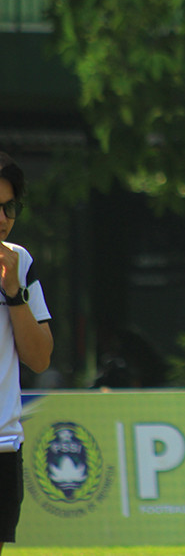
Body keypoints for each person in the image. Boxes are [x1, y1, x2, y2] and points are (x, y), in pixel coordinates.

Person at [0, 152, 54, 553]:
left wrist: (14, 294)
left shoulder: (21, 261)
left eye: (9, 207)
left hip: (3, 446)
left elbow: (39, 358)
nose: (2, 219)